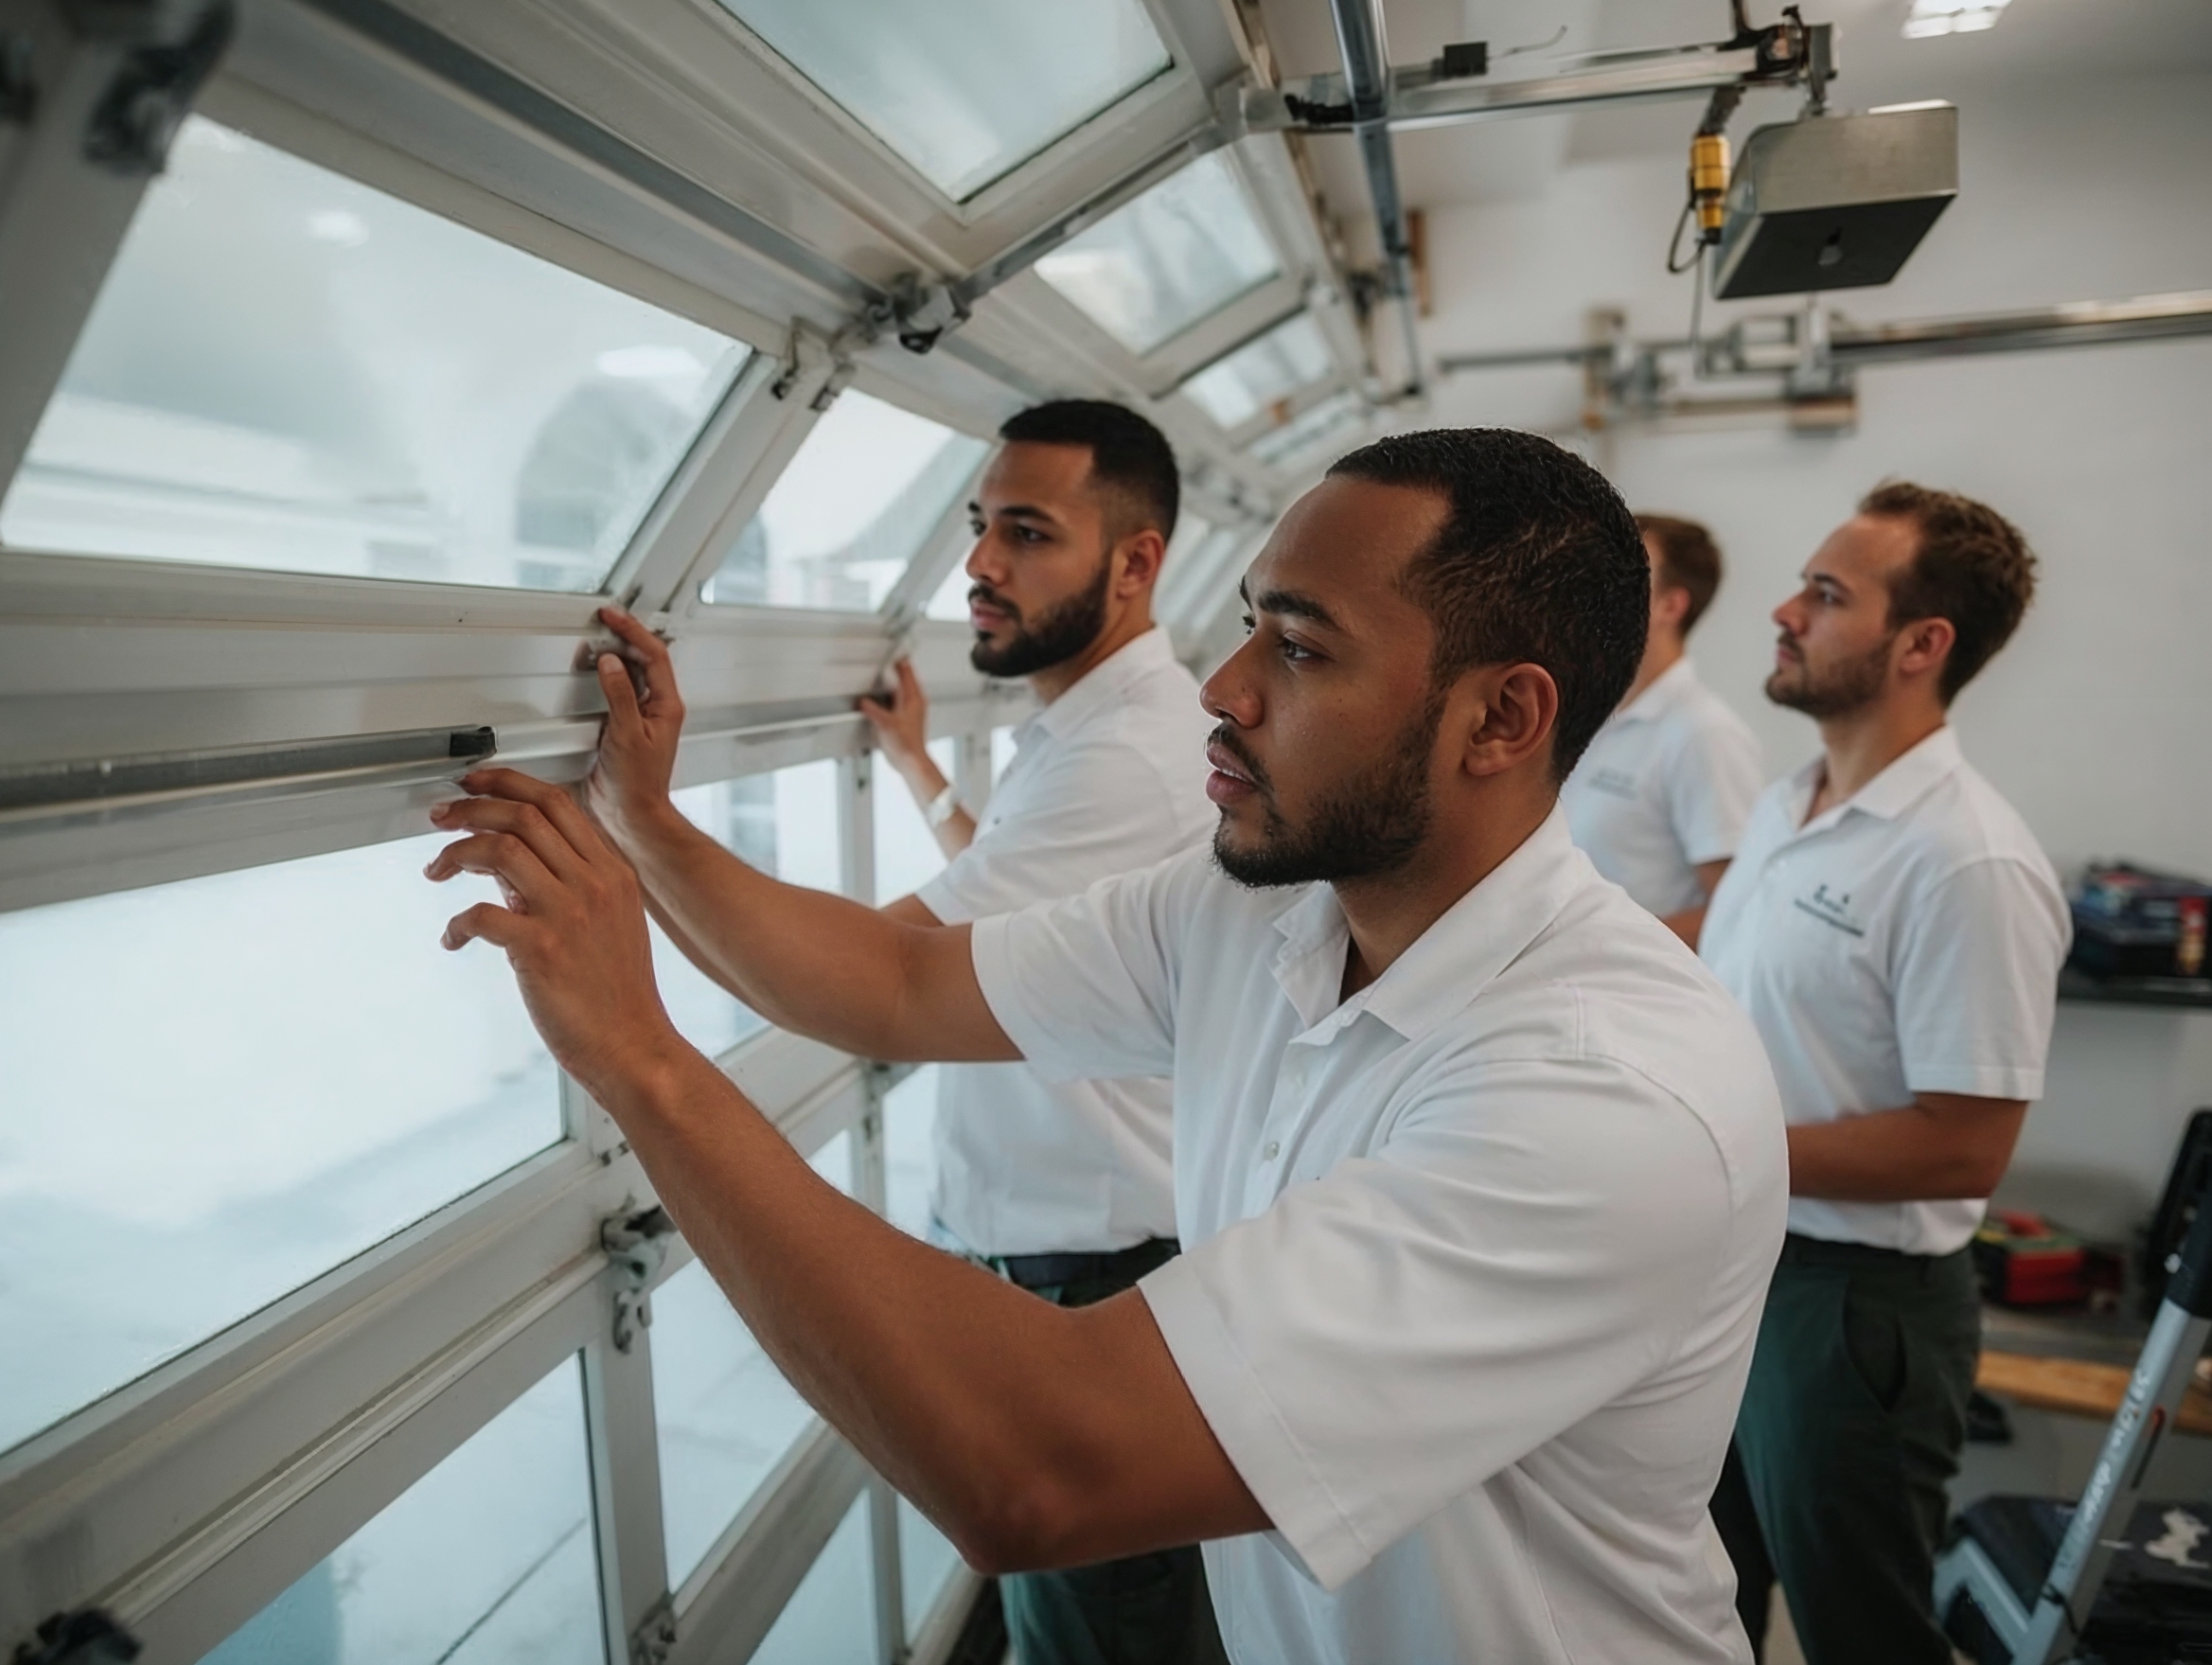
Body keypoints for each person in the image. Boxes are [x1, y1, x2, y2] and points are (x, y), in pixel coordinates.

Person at [423, 428, 1788, 1664]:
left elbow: (1032, 1470)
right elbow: (898, 982)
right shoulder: (1255, 909)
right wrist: (642, 822)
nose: (1224, 689)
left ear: (1502, 719)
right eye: (1248, 625)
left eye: (1301, 649)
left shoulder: (1605, 1092)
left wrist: (639, 1056)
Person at [853, 399, 1220, 1665]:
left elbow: (884, 973)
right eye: (978, 525)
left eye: (1026, 532)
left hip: (1093, 1282)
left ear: (1135, 563)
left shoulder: (1128, 758)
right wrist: (918, 769)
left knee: (1097, 1639)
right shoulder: (1087, 736)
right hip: (1075, 1268)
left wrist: (639, 839)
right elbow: (1014, 892)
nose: (979, 564)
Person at [1697, 482, 2069, 1665]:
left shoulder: (1968, 861)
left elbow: (1963, 1146)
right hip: (1738, 1266)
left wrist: (1712, 1149)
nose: (1783, 612)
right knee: (1702, 1605)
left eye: (1824, 594)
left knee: (1859, 1634)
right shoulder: (1786, 805)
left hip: (1852, 1310)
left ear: (1920, 646)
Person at [1560, 514, 1761, 947]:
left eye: (1620, 574)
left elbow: (1738, 908)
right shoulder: (1588, 711)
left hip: (1621, 978)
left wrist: (1598, 948)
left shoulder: (1704, 733)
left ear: (1670, 605)